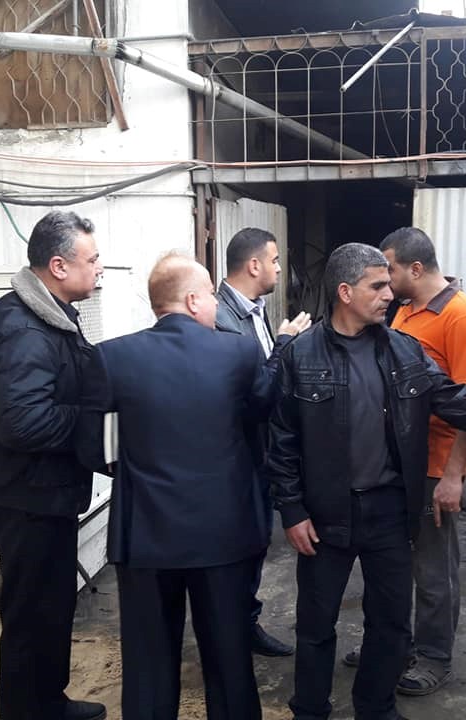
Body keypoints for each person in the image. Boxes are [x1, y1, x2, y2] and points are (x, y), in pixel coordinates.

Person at [264, 243, 466, 720]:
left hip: (389, 512)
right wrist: (292, 509)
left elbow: (464, 405)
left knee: (391, 624)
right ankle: (309, 709)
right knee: (316, 626)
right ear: (345, 292)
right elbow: (282, 440)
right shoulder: (300, 355)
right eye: (377, 286)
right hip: (325, 516)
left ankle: (376, 708)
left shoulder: (404, 352)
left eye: (389, 284)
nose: (390, 294)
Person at [76, 253, 309, 720]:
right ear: (193, 299)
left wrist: (133, 471)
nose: (216, 307)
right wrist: (282, 348)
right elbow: (264, 411)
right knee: (228, 659)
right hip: (223, 535)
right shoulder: (238, 352)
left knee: (148, 664)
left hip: (145, 537)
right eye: (211, 296)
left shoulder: (112, 356)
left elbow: (89, 447)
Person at [0, 210, 106, 720]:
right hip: (26, 498)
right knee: (32, 612)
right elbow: (22, 424)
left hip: (41, 492)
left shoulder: (49, 316)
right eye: (93, 259)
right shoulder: (24, 328)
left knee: (50, 606)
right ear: (59, 266)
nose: (100, 268)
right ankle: (29, 710)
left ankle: (48, 702)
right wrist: (94, 422)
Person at [343, 227, 466, 695]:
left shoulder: (461, 316)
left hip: (433, 468)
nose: (384, 282)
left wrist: (453, 475)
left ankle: (433, 656)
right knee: (392, 563)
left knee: (432, 569)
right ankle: (392, 643)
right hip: (399, 464)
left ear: (416, 268)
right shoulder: (404, 310)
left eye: (389, 270)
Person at [215, 227, 295, 657]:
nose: (279, 269)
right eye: (275, 260)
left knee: (256, 543)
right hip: (236, 458)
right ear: (253, 265)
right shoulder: (221, 319)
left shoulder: (254, 310)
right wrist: (284, 345)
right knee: (238, 548)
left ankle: (246, 624)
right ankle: (232, 632)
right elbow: (251, 391)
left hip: (258, 454)